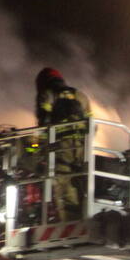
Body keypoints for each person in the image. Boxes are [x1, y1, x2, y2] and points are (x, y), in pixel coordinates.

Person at [34, 68, 92, 221]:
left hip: (62, 148)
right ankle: (85, 215)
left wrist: (39, 149)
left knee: (64, 186)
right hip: (82, 149)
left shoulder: (47, 94)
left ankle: (70, 221)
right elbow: (93, 125)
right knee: (82, 183)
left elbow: (43, 123)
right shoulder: (80, 95)